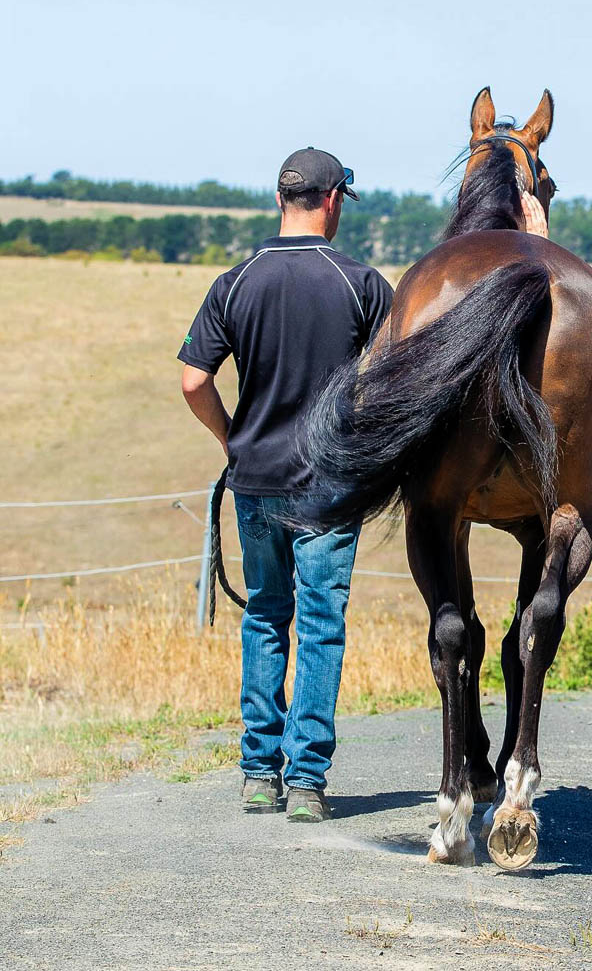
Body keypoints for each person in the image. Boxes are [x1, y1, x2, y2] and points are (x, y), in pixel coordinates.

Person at [178, 147, 393, 822]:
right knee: (322, 625)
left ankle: (257, 775)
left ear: (281, 198)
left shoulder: (234, 282)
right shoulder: (361, 284)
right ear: (332, 200)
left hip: (255, 479)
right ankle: (305, 783)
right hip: (329, 483)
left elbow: (193, 380)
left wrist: (231, 439)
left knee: (266, 615)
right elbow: (394, 381)